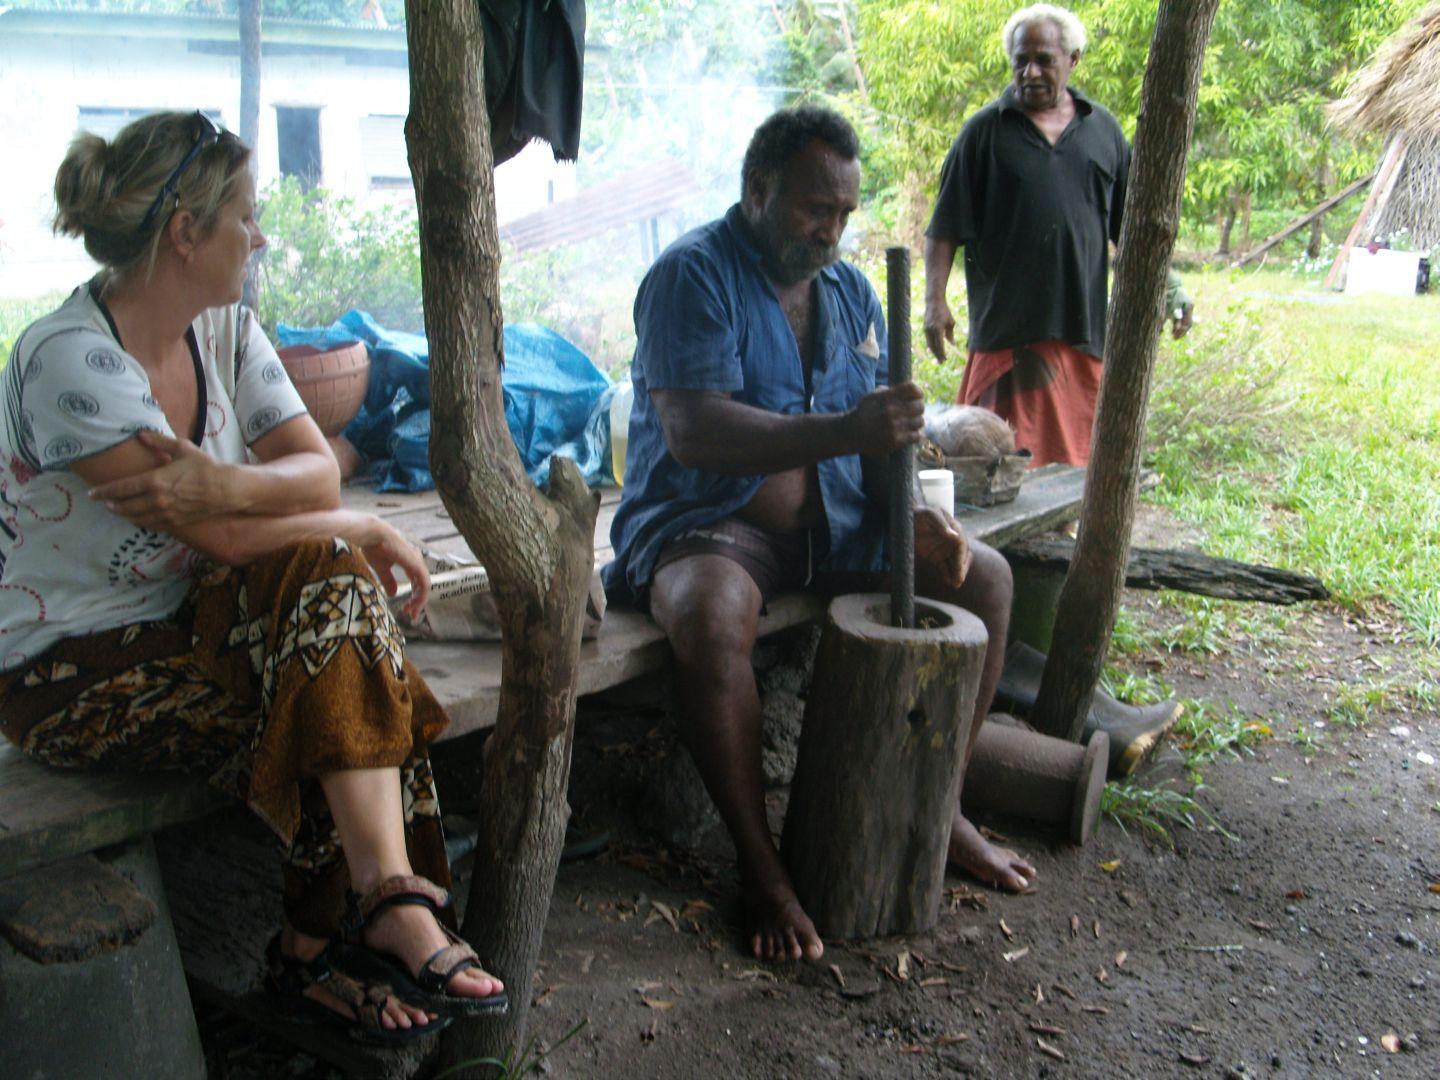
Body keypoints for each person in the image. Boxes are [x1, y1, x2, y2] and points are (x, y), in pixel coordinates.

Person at [0, 111, 506, 1044]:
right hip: (66, 669)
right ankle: (318, 950)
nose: (261, 235)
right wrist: (356, 525)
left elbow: (315, 471)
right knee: (341, 671)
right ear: (185, 233)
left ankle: (380, 905)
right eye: (245, 214)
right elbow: (234, 536)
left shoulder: (227, 330)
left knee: (332, 614)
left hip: (198, 622)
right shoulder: (69, 362)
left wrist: (232, 481)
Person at [604, 105, 1033, 965]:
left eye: (843, 213)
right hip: (709, 522)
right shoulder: (693, 275)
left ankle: (943, 807)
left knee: (985, 579)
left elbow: (883, 446)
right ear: (757, 190)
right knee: (711, 617)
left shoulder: (851, 294)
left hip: (835, 524)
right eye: (813, 210)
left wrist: (914, 517)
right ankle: (761, 868)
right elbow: (695, 432)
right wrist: (846, 430)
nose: (831, 233)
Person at [922, 3, 1193, 469]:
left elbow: (1135, 232)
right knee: (994, 460)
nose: (1030, 72)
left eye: (1044, 60)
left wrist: (1172, 290)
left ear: (1073, 60)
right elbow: (944, 227)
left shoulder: (1104, 131)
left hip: (1080, 333)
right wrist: (934, 301)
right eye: (1021, 60)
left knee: (1076, 466)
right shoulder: (983, 133)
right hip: (1007, 335)